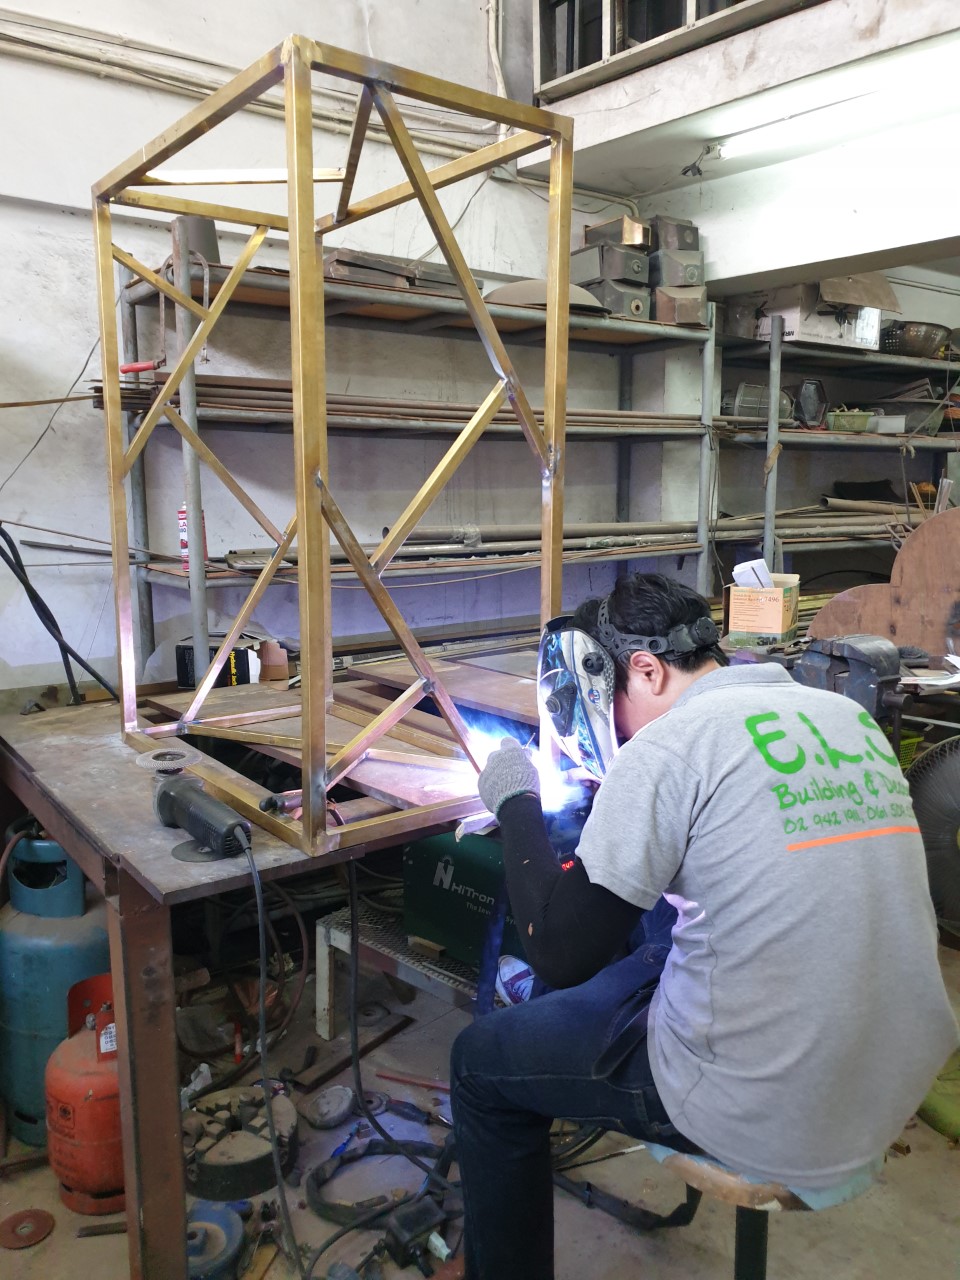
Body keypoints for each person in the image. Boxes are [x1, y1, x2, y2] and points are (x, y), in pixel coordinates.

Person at [450, 572, 959, 1280]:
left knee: (479, 1063)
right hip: (894, 1071)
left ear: (646, 670)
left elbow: (558, 952)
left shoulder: (667, 748)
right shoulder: (842, 716)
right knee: (666, 905)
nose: (617, 728)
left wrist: (514, 800)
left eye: (614, 705)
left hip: (770, 1106)